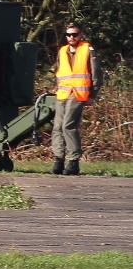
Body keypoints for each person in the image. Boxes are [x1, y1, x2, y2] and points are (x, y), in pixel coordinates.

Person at [51, 23, 102, 176]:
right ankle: (58, 160)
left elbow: (97, 74)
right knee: (57, 127)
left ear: (81, 35)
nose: (72, 37)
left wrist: (93, 95)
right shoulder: (62, 51)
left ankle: (73, 162)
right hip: (63, 93)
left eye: (75, 34)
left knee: (68, 126)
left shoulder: (87, 49)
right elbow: (59, 71)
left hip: (79, 93)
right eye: (69, 35)